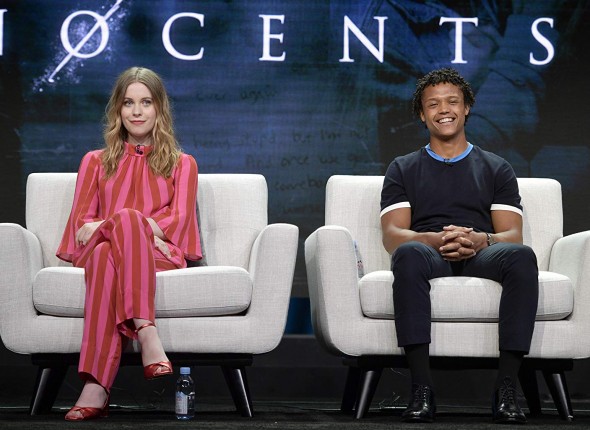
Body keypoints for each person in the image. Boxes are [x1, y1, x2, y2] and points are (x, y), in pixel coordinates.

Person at [380, 68, 538, 424]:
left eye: (452, 101)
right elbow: (392, 234)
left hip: (480, 251)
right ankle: (421, 389)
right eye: (433, 104)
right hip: (428, 251)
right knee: (407, 253)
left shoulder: (497, 167)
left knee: (521, 256)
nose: (444, 110)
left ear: (466, 108)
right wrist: (434, 239)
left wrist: (482, 239)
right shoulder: (402, 168)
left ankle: (506, 388)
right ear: (422, 115)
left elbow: (512, 234)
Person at [56, 67, 202, 421]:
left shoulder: (183, 164)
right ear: (117, 110)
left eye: (146, 102)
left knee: (108, 250)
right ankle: (147, 331)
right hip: (107, 249)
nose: (137, 111)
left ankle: (97, 386)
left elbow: (178, 222)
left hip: (155, 255)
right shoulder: (94, 162)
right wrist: (127, 223)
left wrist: (115, 223)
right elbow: (81, 226)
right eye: (128, 103)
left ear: (159, 108)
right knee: (114, 236)